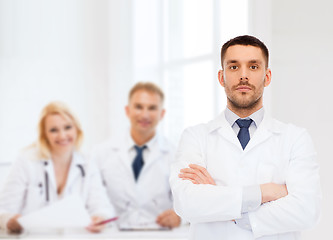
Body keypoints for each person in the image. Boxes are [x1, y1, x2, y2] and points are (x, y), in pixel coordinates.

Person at [169, 35, 321, 239]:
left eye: (253, 67)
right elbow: (186, 203)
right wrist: (265, 193)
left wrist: (224, 205)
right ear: (221, 77)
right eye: (233, 67)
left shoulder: (295, 138)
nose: (243, 75)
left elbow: (306, 210)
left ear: (267, 77)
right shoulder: (195, 137)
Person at [0, 101, 116, 233]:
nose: (62, 135)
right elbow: (3, 210)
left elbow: (102, 206)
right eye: (53, 130)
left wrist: (99, 218)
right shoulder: (26, 162)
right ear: (44, 135)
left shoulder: (88, 162)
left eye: (68, 127)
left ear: (77, 129)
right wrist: (10, 221)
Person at [92, 82, 181, 229]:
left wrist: (179, 217)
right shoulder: (101, 153)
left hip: (158, 235)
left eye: (152, 108)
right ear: (127, 111)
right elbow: (94, 197)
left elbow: (188, 202)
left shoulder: (176, 155)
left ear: (162, 114)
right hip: (113, 235)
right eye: (138, 107)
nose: (144, 114)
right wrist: (98, 216)